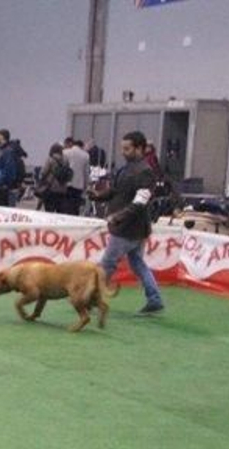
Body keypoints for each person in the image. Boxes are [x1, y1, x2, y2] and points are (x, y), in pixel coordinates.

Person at [90, 131, 164, 316]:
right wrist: (98, 196)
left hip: (128, 228)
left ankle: (91, 297)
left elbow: (140, 202)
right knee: (137, 263)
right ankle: (154, 299)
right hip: (133, 227)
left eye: (127, 148)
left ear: (140, 148)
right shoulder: (126, 169)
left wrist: (118, 216)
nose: (123, 152)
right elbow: (116, 191)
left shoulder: (145, 172)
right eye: (122, 148)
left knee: (107, 263)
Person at [0, 129, 24, 207]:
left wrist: (0, 183)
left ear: (2, 137)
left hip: (2, 189)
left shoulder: (7, 151)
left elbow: (8, 170)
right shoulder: (2, 150)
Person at [36, 144, 73, 214]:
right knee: (60, 212)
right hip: (62, 189)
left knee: (49, 211)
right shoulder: (65, 160)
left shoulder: (50, 159)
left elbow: (43, 172)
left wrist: (40, 180)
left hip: (51, 189)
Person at [62, 137, 91, 214]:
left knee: (66, 206)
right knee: (75, 207)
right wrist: (86, 185)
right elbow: (86, 172)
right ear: (81, 146)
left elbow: (63, 167)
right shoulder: (86, 156)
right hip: (79, 185)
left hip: (67, 184)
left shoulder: (65, 152)